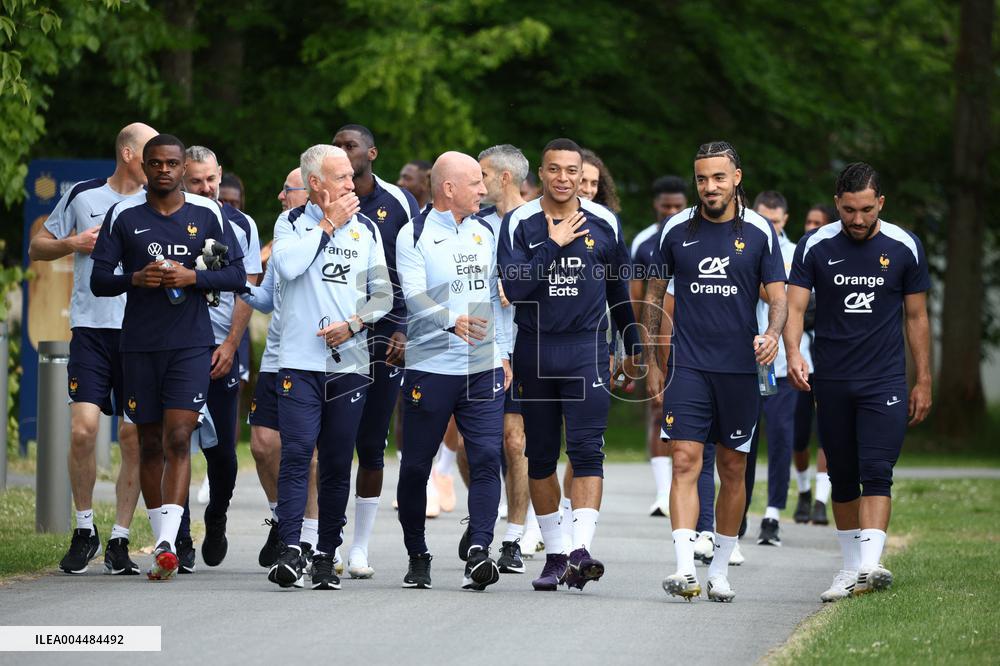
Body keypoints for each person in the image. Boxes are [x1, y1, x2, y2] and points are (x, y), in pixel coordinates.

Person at [90, 133, 246, 580]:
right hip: (138, 343)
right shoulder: (125, 215)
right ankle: (163, 533)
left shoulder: (208, 214)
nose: (164, 170)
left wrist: (192, 275)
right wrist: (135, 279)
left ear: (182, 168)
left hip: (191, 343)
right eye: (155, 163)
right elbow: (99, 280)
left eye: (171, 164)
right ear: (145, 165)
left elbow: (237, 275)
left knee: (180, 437)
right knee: (150, 440)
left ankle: (166, 542)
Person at [643, 141, 786, 602]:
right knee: (685, 460)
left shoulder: (761, 232)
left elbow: (779, 298)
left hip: (740, 371)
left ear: (737, 177)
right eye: (702, 178)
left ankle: (720, 570)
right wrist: (651, 358)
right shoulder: (675, 231)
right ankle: (685, 569)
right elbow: (653, 296)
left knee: (732, 467)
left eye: (718, 178)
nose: (709, 187)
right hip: (688, 366)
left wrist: (773, 334)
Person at [498, 138, 641, 592]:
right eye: (554, 169)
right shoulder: (519, 221)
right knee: (538, 456)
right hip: (536, 350)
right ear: (540, 173)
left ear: (583, 176)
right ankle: (555, 554)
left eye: (572, 171)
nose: (563, 178)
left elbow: (620, 288)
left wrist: (632, 341)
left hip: (586, 350)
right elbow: (514, 288)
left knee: (585, 451)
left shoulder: (604, 222)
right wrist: (553, 244)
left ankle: (580, 551)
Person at [784, 162, 931, 601]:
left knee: (877, 470)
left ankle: (871, 565)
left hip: (884, 378)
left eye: (867, 209)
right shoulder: (814, 245)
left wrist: (923, 379)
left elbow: (917, 317)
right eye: (849, 210)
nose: (858, 219)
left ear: (880, 203)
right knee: (843, 477)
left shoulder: (905, 246)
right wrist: (793, 353)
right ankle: (850, 570)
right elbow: (793, 310)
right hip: (830, 379)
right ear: (837, 205)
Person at [28, 121, 156, 575]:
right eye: (150, 154)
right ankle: (85, 529)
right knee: (82, 430)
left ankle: (120, 538)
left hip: (141, 334)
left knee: (132, 435)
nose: (158, 163)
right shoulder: (83, 195)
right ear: (127, 154)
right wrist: (72, 243)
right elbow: (37, 246)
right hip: (91, 330)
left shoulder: (155, 203)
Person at [266, 144, 392, 590]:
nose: (351, 184)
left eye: (351, 176)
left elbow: (383, 297)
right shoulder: (292, 223)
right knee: (298, 453)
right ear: (315, 183)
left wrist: (354, 323)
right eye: (340, 177)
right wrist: (326, 225)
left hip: (350, 364)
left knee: (338, 461)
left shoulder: (367, 231)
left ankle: (324, 554)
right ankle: (289, 549)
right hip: (298, 363)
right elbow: (287, 266)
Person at [393, 151, 510, 590]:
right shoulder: (414, 234)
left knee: (485, 457)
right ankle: (417, 553)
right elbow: (413, 294)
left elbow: (493, 301)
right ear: (448, 188)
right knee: (416, 466)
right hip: (430, 367)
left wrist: (503, 353)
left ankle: (479, 550)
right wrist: (449, 319)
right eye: (476, 183)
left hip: (481, 367)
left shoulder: (484, 231)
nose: (483, 190)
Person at [332, 124, 420, 577]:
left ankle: (360, 547)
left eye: (351, 146)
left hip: (386, 334)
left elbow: (409, 267)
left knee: (370, 441)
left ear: (371, 152)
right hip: (336, 335)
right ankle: (320, 539)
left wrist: (404, 327)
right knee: (332, 440)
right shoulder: (322, 201)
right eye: (338, 146)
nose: (344, 153)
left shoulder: (397, 201)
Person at [177, 145, 262, 571]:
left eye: (211, 179)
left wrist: (230, 345)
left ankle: (216, 517)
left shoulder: (240, 223)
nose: (207, 188)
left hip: (221, 349)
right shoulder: (170, 219)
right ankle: (178, 533)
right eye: (196, 181)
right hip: (177, 348)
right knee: (176, 441)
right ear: (181, 181)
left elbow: (247, 288)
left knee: (223, 451)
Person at [245, 167, 325, 573]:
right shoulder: (284, 236)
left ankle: (309, 537)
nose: (280, 196)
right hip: (276, 356)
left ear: (310, 189)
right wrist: (233, 281)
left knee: (304, 452)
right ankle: (283, 519)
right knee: (262, 444)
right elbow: (266, 299)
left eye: (286, 189)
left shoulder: (328, 234)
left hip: (311, 357)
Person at [745, 191, 814, 547]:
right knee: (742, 439)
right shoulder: (742, 243)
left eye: (776, 220)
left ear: (785, 220)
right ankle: (737, 510)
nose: (770, 225)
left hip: (784, 363)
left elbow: (788, 301)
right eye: (764, 219)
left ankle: (772, 515)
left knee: (782, 438)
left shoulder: (795, 253)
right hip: (743, 362)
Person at [477, 143, 531, 572]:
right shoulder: (471, 225)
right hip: (476, 348)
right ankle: (480, 520)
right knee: (471, 445)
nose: (478, 185)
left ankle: (513, 537)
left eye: (483, 177)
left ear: (505, 178)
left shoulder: (538, 222)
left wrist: (520, 288)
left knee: (515, 443)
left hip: (523, 346)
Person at [629, 175, 688, 517]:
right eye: (666, 206)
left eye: (677, 206)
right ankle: (664, 493)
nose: (671, 211)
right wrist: (639, 348)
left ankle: (685, 485)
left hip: (691, 338)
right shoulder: (643, 243)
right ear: (655, 205)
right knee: (658, 411)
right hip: (656, 338)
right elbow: (636, 299)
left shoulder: (695, 235)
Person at [792, 203, 837, 524]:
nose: (811, 226)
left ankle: (822, 501)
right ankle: (805, 491)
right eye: (807, 221)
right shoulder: (801, 258)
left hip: (829, 359)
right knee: (799, 435)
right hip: (797, 361)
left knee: (827, 431)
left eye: (817, 222)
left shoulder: (836, 260)